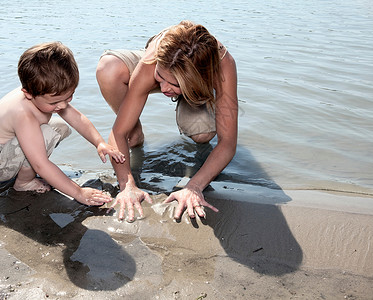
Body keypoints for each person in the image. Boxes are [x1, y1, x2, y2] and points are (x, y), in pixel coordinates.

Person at [96, 20, 238, 221]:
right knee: (109, 68)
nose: (162, 89)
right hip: (159, 66)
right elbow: (117, 132)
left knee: (202, 134)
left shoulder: (223, 65)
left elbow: (228, 143)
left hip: (196, 81)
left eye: (171, 85)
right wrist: (127, 185)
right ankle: (135, 132)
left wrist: (194, 187)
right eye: (160, 79)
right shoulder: (153, 63)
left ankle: (190, 96)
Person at [0, 42, 125, 206]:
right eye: (56, 102)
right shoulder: (23, 114)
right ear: (28, 93)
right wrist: (78, 192)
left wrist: (99, 142)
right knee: (46, 134)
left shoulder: (41, 90)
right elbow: (41, 165)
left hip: (8, 151)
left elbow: (76, 118)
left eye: (69, 97)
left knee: (60, 126)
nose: (63, 105)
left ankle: (23, 174)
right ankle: (24, 183)